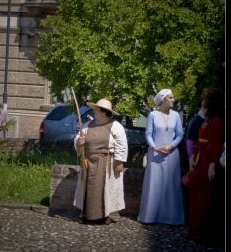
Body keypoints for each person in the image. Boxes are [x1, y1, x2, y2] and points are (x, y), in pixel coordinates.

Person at [73, 98, 128, 225]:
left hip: (107, 163)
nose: (94, 111)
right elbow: (78, 139)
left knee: (108, 189)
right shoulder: (88, 125)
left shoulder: (115, 126)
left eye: (96, 109)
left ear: (104, 112)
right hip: (89, 162)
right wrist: (79, 143)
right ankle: (87, 214)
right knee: (88, 188)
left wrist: (119, 161)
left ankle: (107, 215)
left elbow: (122, 144)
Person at [138, 88, 185, 225]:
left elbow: (180, 134)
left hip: (171, 154)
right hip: (155, 153)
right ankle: (150, 216)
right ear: (163, 100)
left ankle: (171, 217)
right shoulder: (153, 115)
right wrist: (154, 147)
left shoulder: (176, 115)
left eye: (172, 97)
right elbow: (148, 133)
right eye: (170, 98)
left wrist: (172, 146)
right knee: (154, 184)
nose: (173, 100)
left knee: (171, 185)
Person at [186, 87, 225, 243]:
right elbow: (198, 141)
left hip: (208, 161)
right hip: (200, 160)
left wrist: (211, 165)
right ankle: (196, 230)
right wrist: (193, 156)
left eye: (205, 100)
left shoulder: (217, 122)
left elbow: (216, 145)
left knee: (206, 197)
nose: (202, 103)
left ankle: (205, 232)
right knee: (197, 196)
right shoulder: (206, 121)